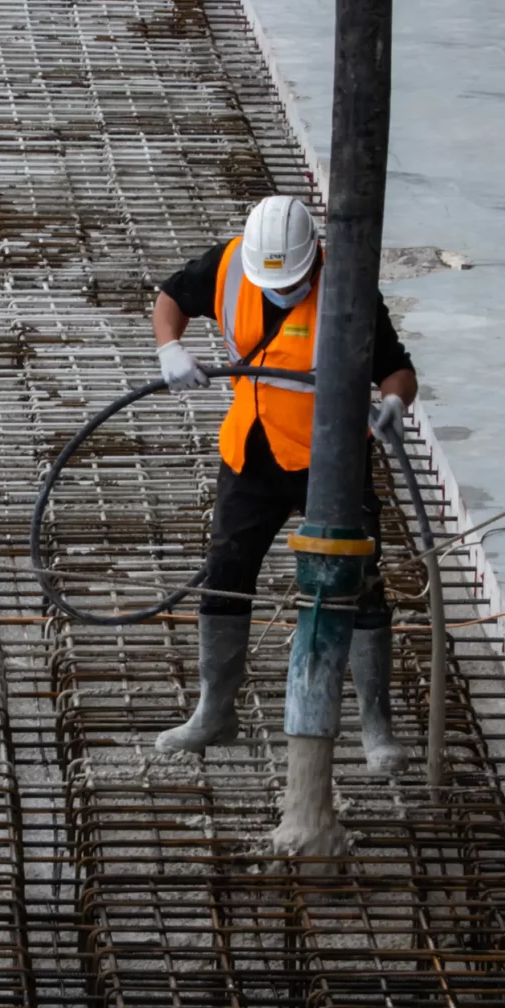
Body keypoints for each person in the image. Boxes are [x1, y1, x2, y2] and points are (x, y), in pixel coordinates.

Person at [149, 194, 420, 767]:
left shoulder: (347, 287)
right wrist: (170, 347)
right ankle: (214, 712)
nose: (280, 291)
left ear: (313, 261)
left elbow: (397, 366)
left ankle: (377, 728)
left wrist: (394, 402)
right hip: (251, 449)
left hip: (333, 458)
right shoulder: (229, 266)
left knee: (360, 582)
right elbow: (171, 296)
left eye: (292, 283)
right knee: (226, 572)